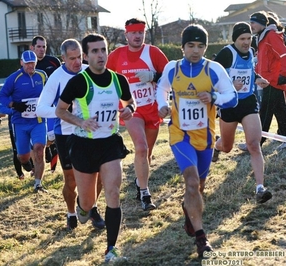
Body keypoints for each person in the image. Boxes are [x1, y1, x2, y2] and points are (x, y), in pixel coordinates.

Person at [156, 24, 238, 257]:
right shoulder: (173, 68)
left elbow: (231, 98)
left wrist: (213, 97)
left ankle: (189, 210)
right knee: (191, 182)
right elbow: (161, 88)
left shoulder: (214, 69)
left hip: (206, 136)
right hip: (180, 135)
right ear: (182, 47)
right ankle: (202, 239)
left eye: (200, 46)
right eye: (190, 45)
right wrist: (162, 105)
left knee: (199, 187)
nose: (195, 50)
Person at [55, 33, 134, 263]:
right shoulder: (79, 81)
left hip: (109, 142)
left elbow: (130, 102)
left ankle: (111, 249)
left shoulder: (119, 80)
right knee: (88, 203)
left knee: (113, 193)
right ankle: (82, 208)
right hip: (83, 146)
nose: (101, 55)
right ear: (87, 56)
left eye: (103, 50)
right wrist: (81, 122)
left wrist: (130, 109)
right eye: (95, 51)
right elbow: (60, 110)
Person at [36, 38, 105, 230]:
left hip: (89, 131)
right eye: (71, 58)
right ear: (63, 58)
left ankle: (92, 208)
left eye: (79, 57)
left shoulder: (89, 72)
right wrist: (64, 113)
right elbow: (40, 108)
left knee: (97, 174)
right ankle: (71, 213)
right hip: (66, 134)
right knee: (71, 180)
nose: (76, 62)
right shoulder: (56, 78)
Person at [107, 18, 169, 211]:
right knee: (141, 148)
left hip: (152, 108)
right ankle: (145, 194)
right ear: (126, 35)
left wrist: (153, 76)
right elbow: (103, 77)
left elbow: (170, 76)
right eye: (133, 33)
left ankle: (139, 180)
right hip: (132, 110)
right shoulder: (116, 55)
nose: (137, 36)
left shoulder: (153, 53)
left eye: (140, 33)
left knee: (147, 153)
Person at [212, 22, 272, 204]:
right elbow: (210, 77)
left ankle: (260, 188)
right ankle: (217, 146)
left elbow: (249, 72)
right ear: (235, 39)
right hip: (229, 104)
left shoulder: (251, 52)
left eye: (249, 38)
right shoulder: (226, 53)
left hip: (247, 102)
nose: (246, 42)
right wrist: (230, 85)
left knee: (254, 144)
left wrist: (258, 79)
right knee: (227, 146)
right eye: (242, 39)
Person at [0, 50, 48, 193]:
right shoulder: (14, 78)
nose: (30, 66)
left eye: (33, 63)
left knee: (39, 149)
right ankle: (27, 164)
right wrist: (13, 104)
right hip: (20, 122)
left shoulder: (42, 75)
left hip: (38, 121)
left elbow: (50, 92)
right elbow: (1, 97)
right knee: (22, 156)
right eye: (27, 64)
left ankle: (38, 184)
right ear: (21, 63)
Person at [238, 11, 286, 150]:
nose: (250, 25)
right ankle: (284, 137)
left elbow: (283, 54)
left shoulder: (271, 35)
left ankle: (255, 143)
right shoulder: (262, 37)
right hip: (268, 80)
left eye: (253, 22)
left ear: (260, 23)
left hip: (274, 80)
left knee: (264, 113)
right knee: (280, 111)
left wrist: (283, 74)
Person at [31, 35, 62, 172]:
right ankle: (36, 167)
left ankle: (53, 169)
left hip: (52, 105)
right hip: (36, 107)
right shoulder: (29, 64)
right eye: (39, 46)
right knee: (39, 141)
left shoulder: (54, 62)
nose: (42, 49)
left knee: (52, 136)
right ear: (32, 48)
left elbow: (63, 77)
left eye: (44, 46)